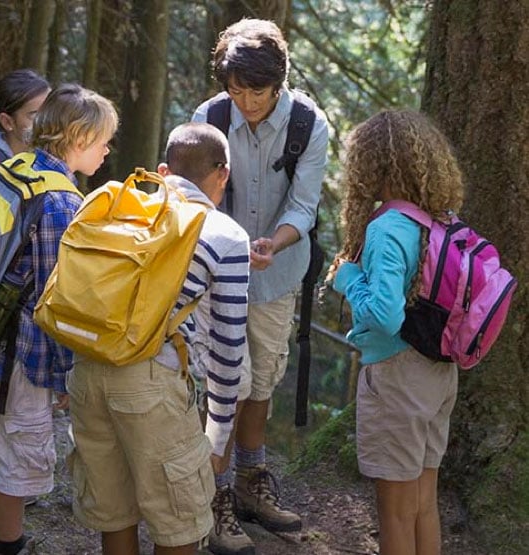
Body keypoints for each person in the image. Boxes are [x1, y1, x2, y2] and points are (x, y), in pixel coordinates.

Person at [66, 122, 250, 555]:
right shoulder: (225, 234)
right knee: (179, 526)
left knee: (116, 514)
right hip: (152, 382)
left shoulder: (121, 210)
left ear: (164, 171)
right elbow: (228, 348)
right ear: (222, 174)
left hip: (89, 368)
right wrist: (219, 435)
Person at [192, 17, 329, 555]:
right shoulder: (210, 117)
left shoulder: (308, 124)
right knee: (223, 382)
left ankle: (251, 483)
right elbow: (191, 195)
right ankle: (215, 495)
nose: (246, 102)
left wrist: (276, 240)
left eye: (257, 91)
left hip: (278, 273)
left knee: (262, 380)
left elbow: (305, 202)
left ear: (279, 83)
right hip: (214, 275)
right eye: (236, 90)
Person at [0, 83, 118, 555]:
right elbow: (55, 302)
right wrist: (62, 375)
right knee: (18, 452)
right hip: (20, 354)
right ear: (78, 139)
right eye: (102, 141)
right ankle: (10, 546)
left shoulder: (13, 169)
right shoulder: (61, 202)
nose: (107, 150)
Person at [328, 109, 463, 555]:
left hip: (397, 375)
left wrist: (347, 279)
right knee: (423, 503)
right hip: (437, 373)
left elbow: (385, 316)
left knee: (394, 513)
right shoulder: (438, 220)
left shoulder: (387, 227)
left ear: (373, 166)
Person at [0, 69, 51, 518]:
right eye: (34, 115)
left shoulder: (24, 161)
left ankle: (0, 491)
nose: (42, 125)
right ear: (7, 120)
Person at [0, 68, 50, 175]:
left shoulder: (47, 160)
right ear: (7, 122)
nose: (48, 122)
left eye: (50, 112)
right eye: (35, 115)